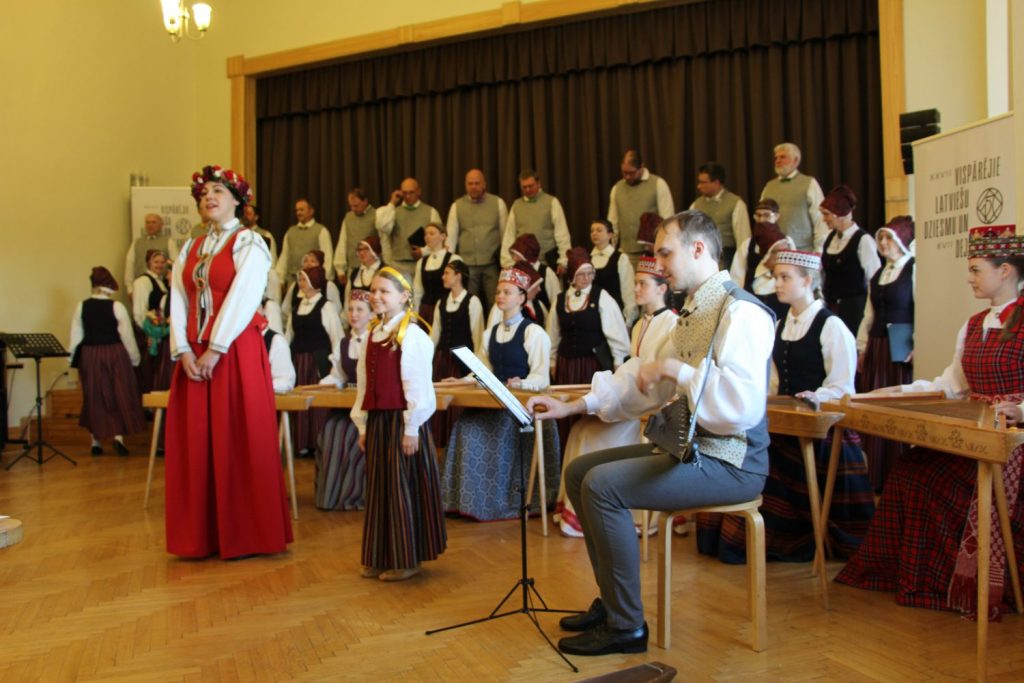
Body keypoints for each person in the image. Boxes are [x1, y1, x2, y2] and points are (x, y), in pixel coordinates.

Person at [526, 209, 775, 656]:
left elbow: (739, 410)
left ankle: (626, 626)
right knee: (580, 473)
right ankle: (614, 603)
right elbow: (642, 377)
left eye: (665, 253)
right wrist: (574, 406)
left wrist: (676, 371)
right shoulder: (694, 311)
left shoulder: (742, 313)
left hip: (733, 462)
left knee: (602, 486)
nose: (659, 264)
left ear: (698, 249)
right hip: (692, 451)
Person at [836, 225, 1024, 619]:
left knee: (928, 480)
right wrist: (893, 392)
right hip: (975, 436)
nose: (970, 278)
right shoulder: (973, 324)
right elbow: (951, 386)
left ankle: (960, 582)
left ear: (1005, 270)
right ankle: (914, 578)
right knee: (910, 469)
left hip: (1013, 446)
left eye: (976, 269)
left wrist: (1020, 411)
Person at [698, 249, 873, 563]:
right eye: (775, 277)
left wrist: (815, 397)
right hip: (784, 425)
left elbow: (842, 387)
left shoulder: (832, 326)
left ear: (807, 281)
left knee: (775, 466)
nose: (777, 284)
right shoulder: (779, 325)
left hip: (822, 432)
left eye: (785, 277)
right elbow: (773, 384)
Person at [166, 164, 292, 559]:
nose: (209, 197)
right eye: (204, 193)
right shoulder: (190, 247)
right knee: (198, 442)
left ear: (237, 200)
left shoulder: (249, 242)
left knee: (237, 435)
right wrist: (184, 350)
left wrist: (215, 348)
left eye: (218, 191)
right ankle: (201, 535)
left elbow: (243, 296)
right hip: (194, 354)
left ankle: (246, 534)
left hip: (234, 352)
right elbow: (178, 299)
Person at [553, 256, 677, 538]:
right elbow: (632, 370)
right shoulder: (640, 324)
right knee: (580, 430)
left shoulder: (672, 324)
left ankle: (617, 513)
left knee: (589, 436)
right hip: (632, 402)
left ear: (662, 288)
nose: (635, 289)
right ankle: (581, 511)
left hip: (650, 412)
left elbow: (661, 384)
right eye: (635, 283)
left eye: (643, 284)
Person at [441, 266, 560, 521]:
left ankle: (494, 502)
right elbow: (482, 371)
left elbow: (541, 378)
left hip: (520, 411)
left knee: (471, 432)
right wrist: (461, 380)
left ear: (522, 297)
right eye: (498, 292)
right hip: (493, 405)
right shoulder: (490, 333)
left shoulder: (534, 333)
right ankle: (466, 502)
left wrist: (521, 383)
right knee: (462, 426)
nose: (501, 296)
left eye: (507, 292)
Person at [351, 267, 446, 581]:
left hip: (402, 422)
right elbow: (364, 385)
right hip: (379, 421)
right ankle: (381, 555)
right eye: (373, 291)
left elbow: (417, 385)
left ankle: (406, 558)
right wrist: (363, 425)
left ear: (404, 296)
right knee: (381, 489)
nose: (376, 296)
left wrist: (411, 427)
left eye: (384, 291)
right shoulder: (372, 334)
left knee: (401, 488)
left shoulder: (412, 336)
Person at [856, 216, 916, 490]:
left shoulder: (913, 268)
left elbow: (920, 307)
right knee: (876, 403)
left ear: (902, 240)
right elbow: (869, 315)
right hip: (878, 344)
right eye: (880, 237)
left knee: (896, 406)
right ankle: (876, 477)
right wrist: (862, 347)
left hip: (901, 345)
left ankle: (898, 477)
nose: (882, 242)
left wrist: (917, 343)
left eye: (888, 237)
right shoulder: (878, 274)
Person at [70, 266, 145, 456]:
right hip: (114, 353)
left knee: (93, 395)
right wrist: (134, 359)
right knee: (118, 392)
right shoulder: (117, 307)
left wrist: (71, 359)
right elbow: (127, 336)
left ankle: (95, 441)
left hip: (90, 354)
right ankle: (118, 438)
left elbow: (76, 337)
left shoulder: (81, 306)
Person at [316, 289, 372, 511]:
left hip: (370, 408)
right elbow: (338, 375)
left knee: (347, 434)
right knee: (330, 429)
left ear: (371, 314)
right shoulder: (343, 343)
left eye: (360, 310)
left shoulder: (376, 340)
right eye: (350, 309)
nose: (354, 314)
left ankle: (356, 493)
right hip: (347, 406)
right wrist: (325, 383)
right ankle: (332, 495)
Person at [547, 247, 630, 384]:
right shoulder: (560, 300)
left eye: (590, 273)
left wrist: (618, 361)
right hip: (566, 363)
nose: (586, 278)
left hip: (592, 363)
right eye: (581, 274)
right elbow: (553, 334)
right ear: (573, 275)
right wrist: (552, 361)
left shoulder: (601, 297)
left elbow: (615, 331)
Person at [287, 265, 344, 456]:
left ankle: (318, 443)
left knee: (317, 401)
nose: (300, 283)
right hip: (298, 361)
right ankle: (302, 443)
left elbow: (336, 336)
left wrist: (336, 363)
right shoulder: (297, 306)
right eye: (300, 279)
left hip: (317, 361)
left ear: (314, 281)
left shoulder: (326, 306)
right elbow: (289, 334)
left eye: (304, 279)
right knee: (299, 400)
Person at [429, 259, 484, 448]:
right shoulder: (441, 302)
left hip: (462, 362)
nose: (443, 277)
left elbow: (478, 336)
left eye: (447, 273)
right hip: (442, 360)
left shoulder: (473, 302)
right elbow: (435, 335)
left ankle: (457, 447)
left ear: (458, 275)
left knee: (457, 405)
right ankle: (438, 446)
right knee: (440, 404)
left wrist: (476, 368)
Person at [820, 184, 881, 335]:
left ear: (839, 214)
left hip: (854, 311)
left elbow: (873, 279)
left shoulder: (863, 240)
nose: (823, 219)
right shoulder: (830, 239)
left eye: (827, 214)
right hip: (832, 309)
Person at [445, 169, 509, 309]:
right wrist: (450, 265)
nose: (474, 186)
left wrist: (506, 262)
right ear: (465, 185)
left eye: (477, 183)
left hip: (492, 265)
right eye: (470, 183)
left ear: (484, 184)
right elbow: (451, 239)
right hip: (467, 265)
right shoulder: (456, 206)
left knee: (497, 303)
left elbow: (506, 236)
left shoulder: (498, 203)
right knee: (468, 303)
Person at [607, 150, 675, 269]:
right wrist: (610, 248)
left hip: (651, 254)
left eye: (631, 173)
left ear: (641, 167)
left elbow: (668, 220)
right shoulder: (617, 189)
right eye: (624, 173)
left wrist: (662, 247)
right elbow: (613, 223)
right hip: (625, 252)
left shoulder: (658, 184)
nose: (627, 176)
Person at [729, 200, 794, 320]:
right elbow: (737, 276)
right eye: (758, 215)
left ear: (777, 216)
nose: (762, 220)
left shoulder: (786, 243)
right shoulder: (748, 244)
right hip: (753, 297)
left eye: (766, 215)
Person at [759, 142, 828, 252]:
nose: (777, 161)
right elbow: (761, 220)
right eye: (776, 158)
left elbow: (820, 219)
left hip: (803, 252)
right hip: (773, 252)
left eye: (783, 157)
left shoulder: (809, 183)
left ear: (796, 160)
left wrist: (820, 250)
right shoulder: (769, 187)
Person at [501, 169, 573, 272]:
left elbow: (562, 235)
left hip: (547, 263)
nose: (528, 190)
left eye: (530, 186)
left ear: (539, 184)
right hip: (523, 265)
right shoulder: (516, 206)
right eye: (524, 187)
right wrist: (506, 262)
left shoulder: (552, 202)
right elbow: (509, 236)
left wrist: (563, 261)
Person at [377, 177, 442, 283]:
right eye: (404, 193)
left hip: (423, 263)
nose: (407, 196)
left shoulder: (431, 211)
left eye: (411, 192)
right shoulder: (393, 212)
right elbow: (383, 228)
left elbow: (439, 240)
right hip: (398, 264)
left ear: (419, 191)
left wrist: (423, 251)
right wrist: (392, 203)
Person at [689, 162, 751, 269]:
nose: (699, 186)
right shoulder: (695, 205)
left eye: (703, 182)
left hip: (726, 259)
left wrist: (741, 268)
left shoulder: (736, 203)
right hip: (700, 259)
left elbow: (743, 240)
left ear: (716, 182)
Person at [131, 249, 172, 394]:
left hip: (160, 332)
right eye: (156, 262)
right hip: (149, 332)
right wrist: (147, 333)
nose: (159, 265)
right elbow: (139, 311)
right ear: (148, 263)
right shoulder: (142, 281)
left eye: (162, 262)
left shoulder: (162, 281)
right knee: (149, 370)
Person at [275, 198, 335, 287]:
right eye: (297, 210)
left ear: (311, 211)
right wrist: (280, 279)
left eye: (301, 210)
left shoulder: (321, 231)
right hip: (292, 280)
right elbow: (285, 255)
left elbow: (327, 257)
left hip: (313, 282)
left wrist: (325, 280)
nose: (298, 213)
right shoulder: (290, 232)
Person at [589, 219, 637, 326]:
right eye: (592, 231)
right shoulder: (587, 259)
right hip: (592, 316)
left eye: (599, 230)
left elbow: (628, 290)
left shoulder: (620, 258)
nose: (594, 233)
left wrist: (628, 320)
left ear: (610, 235)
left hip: (614, 316)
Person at [413, 222, 463, 321]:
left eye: (431, 234)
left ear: (442, 236)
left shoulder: (453, 259)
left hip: (446, 309)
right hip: (426, 310)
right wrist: (414, 316)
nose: (427, 237)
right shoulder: (421, 262)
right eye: (426, 234)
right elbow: (417, 291)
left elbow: (458, 289)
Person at [282, 250, 343, 329]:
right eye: (306, 261)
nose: (308, 264)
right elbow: (285, 311)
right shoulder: (295, 286)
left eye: (313, 261)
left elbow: (336, 313)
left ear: (320, 264)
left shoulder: (328, 286)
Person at [333, 188, 381, 287]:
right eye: (351, 206)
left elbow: (383, 242)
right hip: (353, 268)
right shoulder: (348, 217)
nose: (353, 209)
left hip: (373, 268)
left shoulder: (377, 215)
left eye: (356, 206)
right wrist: (340, 269)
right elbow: (342, 242)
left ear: (365, 201)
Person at [508, 233, 561, 318]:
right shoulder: (514, 272)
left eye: (516, 255)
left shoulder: (546, 273)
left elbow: (557, 303)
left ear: (527, 255)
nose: (513, 258)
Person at [125, 213, 179, 295]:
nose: (150, 225)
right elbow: (130, 265)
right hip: (141, 286)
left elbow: (175, 265)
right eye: (148, 222)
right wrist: (129, 289)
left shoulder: (169, 242)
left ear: (161, 225)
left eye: (154, 222)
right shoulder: (137, 243)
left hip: (162, 287)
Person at [242, 204, 282, 304]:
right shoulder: (239, 234)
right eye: (244, 214)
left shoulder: (266, 235)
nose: (245, 216)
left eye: (249, 214)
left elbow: (272, 259)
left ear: (256, 217)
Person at [343, 236, 384, 305]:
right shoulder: (355, 272)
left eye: (366, 249)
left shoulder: (384, 270)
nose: (361, 253)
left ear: (374, 251)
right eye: (359, 250)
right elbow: (347, 298)